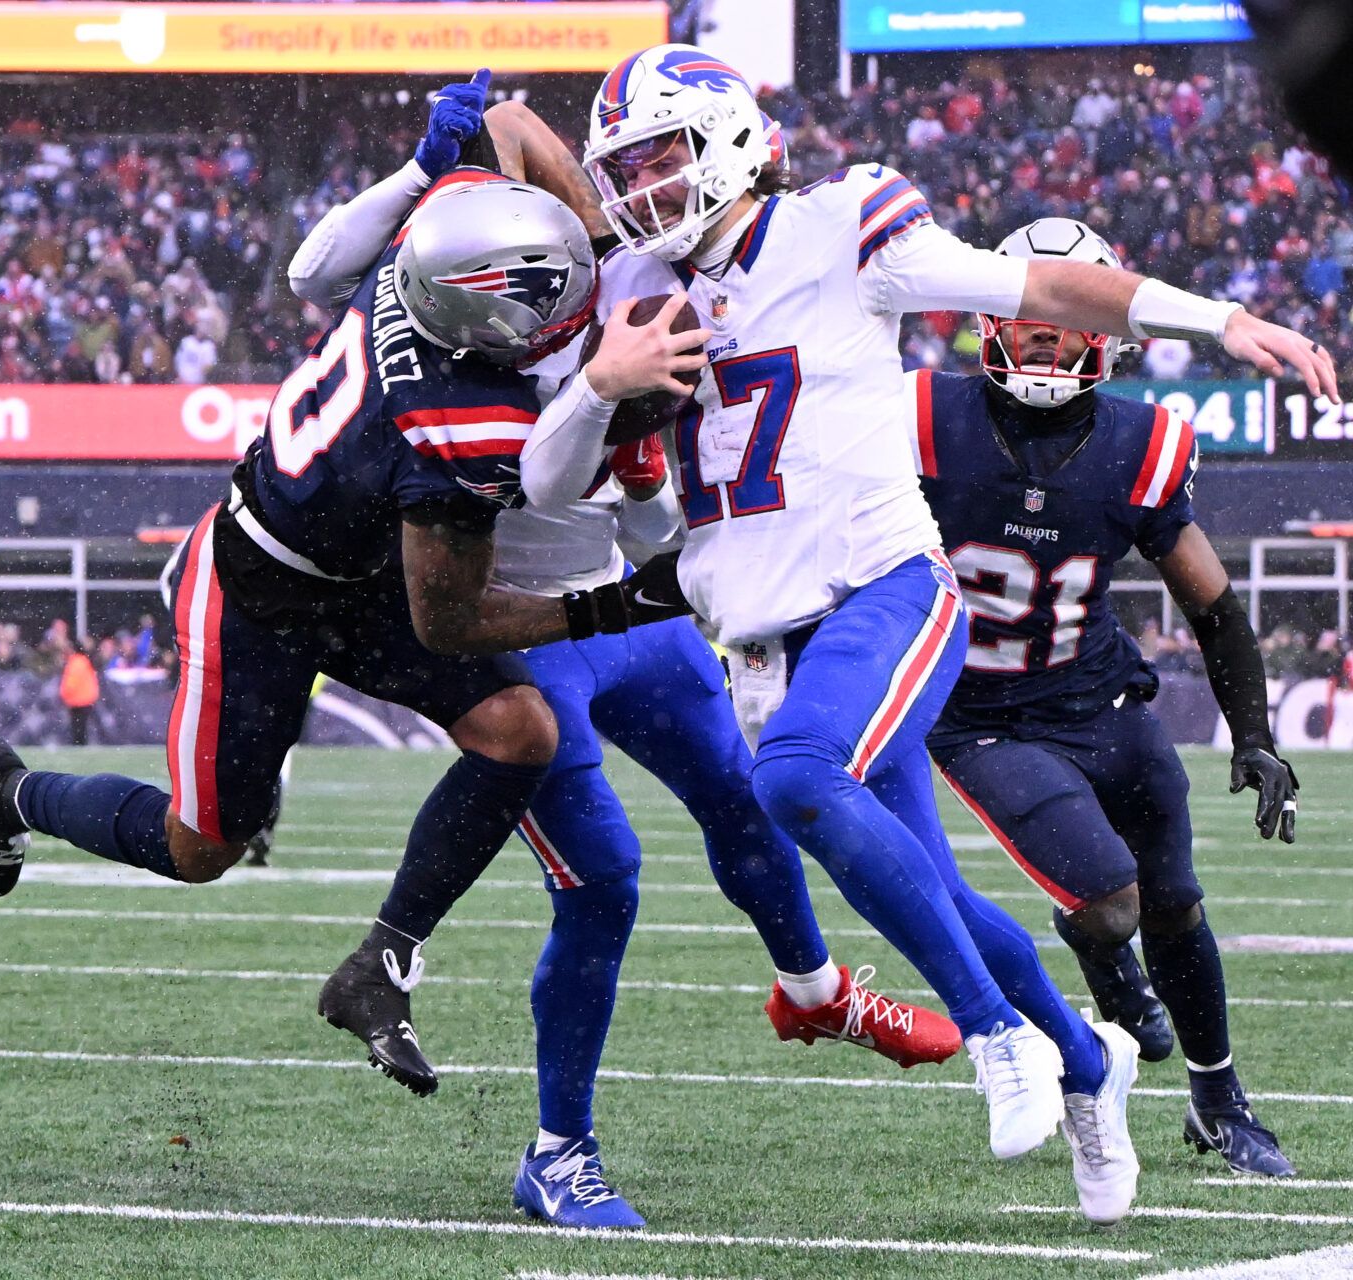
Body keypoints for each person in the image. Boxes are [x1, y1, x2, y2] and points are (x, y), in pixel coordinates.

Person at [515, 44, 1333, 1223]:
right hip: (767, 636)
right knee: (936, 891)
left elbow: (1040, 292)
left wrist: (1218, 318)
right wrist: (603, 380)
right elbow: (546, 482)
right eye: (623, 168)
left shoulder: (843, 227)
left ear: (731, 138)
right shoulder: (631, 283)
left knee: (792, 782)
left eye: (661, 156)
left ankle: (1003, 1038)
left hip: (886, 590)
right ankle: (1088, 1057)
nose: (641, 188)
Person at [283, 78, 959, 1227]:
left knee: (750, 797)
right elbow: (449, 609)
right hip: (538, 629)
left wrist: (467, 171)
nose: (522, 307)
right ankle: (559, 1149)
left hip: (626, 601)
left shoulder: (591, 254)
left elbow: (511, 135)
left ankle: (812, 990)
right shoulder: (442, 398)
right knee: (604, 884)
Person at [0, 167, 694, 1099]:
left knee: (521, 733)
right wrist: (613, 606)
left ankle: (379, 967)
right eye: (544, 295)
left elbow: (503, 127)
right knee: (199, 850)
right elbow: (451, 619)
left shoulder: (425, 253)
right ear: (486, 318)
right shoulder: (457, 418)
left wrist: (594, 227)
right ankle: (11, 790)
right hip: (260, 592)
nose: (570, 305)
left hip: (355, 565)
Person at [914, 217, 1299, 1178]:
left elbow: (1211, 606)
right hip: (982, 715)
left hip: (1104, 700)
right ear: (992, 312)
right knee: (1111, 899)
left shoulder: (1144, 438)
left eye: (1069, 311)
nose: (1047, 329)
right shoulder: (918, 415)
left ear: (1107, 330)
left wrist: (1254, 735)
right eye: (1031, 307)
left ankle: (1219, 1104)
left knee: (1174, 901)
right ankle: (1108, 976)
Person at [58, 642, 99, 745]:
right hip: (86, 699)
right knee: (82, 726)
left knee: (77, 726)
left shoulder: (75, 663)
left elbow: (71, 683)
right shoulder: (84, 661)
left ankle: (78, 744)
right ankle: (81, 744)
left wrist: (64, 694)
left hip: (78, 700)